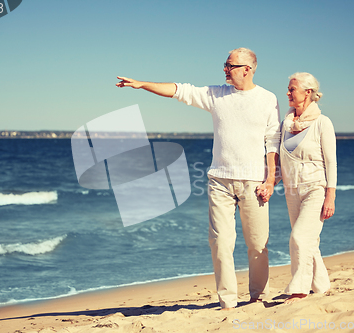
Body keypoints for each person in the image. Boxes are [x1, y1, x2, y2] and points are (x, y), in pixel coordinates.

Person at [116, 48, 280, 309]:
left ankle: (258, 296)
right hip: (220, 181)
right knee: (220, 243)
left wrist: (271, 180)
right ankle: (227, 301)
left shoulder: (267, 99)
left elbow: (273, 142)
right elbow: (179, 90)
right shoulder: (216, 95)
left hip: (254, 182)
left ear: (248, 69)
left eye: (230, 65)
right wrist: (143, 84)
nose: (225, 69)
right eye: (225, 65)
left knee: (258, 244)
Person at [278, 72, 336, 304]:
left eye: (292, 89)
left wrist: (330, 196)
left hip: (316, 189)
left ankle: (299, 291)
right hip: (292, 191)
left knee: (300, 238)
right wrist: (269, 181)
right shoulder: (286, 123)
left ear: (308, 93)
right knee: (309, 242)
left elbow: (331, 161)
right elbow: (280, 158)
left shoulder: (323, 123)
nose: (288, 93)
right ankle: (321, 286)